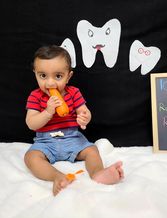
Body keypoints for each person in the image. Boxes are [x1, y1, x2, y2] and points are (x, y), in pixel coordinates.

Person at [24, 45, 124, 196]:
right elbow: (31, 123)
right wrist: (47, 112)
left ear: (68, 76)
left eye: (58, 76)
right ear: (35, 74)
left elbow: (84, 111)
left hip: (72, 138)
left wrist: (85, 117)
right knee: (30, 158)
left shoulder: (73, 92)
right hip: (45, 142)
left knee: (92, 150)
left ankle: (98, 173)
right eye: (43, 76)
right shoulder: (35, 96)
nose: (50, 83)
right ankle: (57, 176)